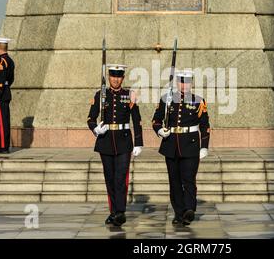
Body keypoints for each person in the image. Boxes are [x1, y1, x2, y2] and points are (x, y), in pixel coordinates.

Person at [87, 64, 143, 227]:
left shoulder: (129, 95)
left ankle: (120, 212)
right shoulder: (100, 95)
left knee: (120, 179)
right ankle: (113, 212)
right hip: (105, 142)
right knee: (110, 178)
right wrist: (95, 129)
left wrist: (138, 142)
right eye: (113, 76)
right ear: (109, 77)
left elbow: (137, 121)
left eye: (119, 76)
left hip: (124, 141)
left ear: (122, 78)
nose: (116, 79)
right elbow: (90, 118)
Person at [152, 70, 210, 226]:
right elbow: (156, 120)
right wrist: (159, 130)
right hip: (171, 145)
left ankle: (189, 209)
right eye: (181, 81)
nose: (184, 85)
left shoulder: (198, 101)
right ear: (177, 83)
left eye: (187, 82)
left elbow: (205, 126)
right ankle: (179, 213)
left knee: (188, 179)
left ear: (191, 83)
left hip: (190, 145)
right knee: (174, 181)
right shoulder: (166, 99)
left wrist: (204, 146)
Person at [0, 37, 15, 154]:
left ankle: (2, 147)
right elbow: (10, 79)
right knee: (4, 121)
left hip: (0, 95)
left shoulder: (1, 61)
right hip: (6, 92)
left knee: (0, 122)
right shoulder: (10, 60)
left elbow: (0, 79)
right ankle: (3, 145)